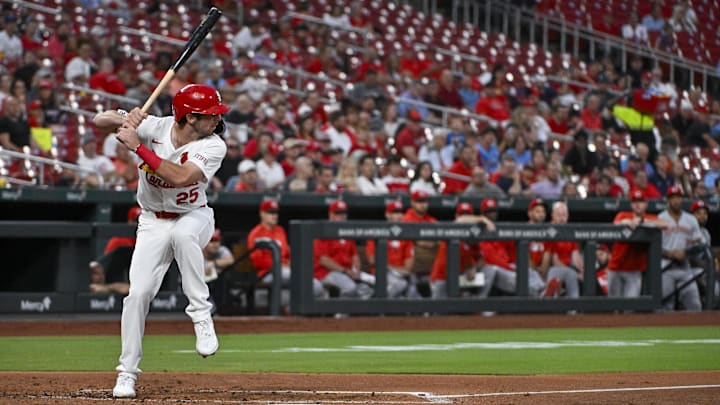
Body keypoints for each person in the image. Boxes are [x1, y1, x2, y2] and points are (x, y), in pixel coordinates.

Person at [93, 83, 230, 398]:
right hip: (152, 220)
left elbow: (180, 177)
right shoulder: (153, 126)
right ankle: (126, 373)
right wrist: (126, 117)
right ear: (189, 117)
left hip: (194, 216)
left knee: (183, 235)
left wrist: (137, 148)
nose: (217, 121)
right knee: (137, 295)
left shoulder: (213, 146)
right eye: (209, 115)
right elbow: (99, 121)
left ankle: (200, 313)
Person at [607, 190, 668, 299]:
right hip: (615, 267)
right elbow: (616, 223)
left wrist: (642, 221)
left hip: (634, 270)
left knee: (630, 308)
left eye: (641, 201)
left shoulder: (650, 217)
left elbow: (665, 224)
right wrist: (627, 222)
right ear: (631, 204)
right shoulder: (623, 215)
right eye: (635, 202)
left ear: (646, 204)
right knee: (613, 306)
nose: (638, 205)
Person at [430, 202, 495, 298]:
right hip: (442, 280)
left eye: (468, 214)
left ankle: (480, 304)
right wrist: (482, 218)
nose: (465, 217)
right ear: (456, 216)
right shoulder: (451, 230)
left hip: (460, 279)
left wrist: (474, 267)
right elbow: (461, 220)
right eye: (462, 214)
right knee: (440, 311)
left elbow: (481, 260)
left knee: (490, 270)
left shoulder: (472, 238)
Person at [313, 200, 373, 298]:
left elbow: (355, 256)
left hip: (346, 273)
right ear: (331, 215)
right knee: (350, 288)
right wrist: (345, 271)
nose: (342, 216)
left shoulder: (346, 232)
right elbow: (324, 260)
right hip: (326, 272)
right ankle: (341, 312)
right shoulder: (322, 231)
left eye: (344, 213)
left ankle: (355, 312)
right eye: (338, 213)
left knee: (366, 290)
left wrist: (356, 271)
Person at [657, 186, 702, 311]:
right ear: (668, 200)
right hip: (666, 267)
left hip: (685, 266)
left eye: (678, 197)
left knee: (694, 304)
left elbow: (698, 244)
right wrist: (669, 254)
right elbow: (655, 246)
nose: (676, 201)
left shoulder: (691, 219)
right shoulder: (660, 219)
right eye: (673, 198)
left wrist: (687, 252)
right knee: (665, 306)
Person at [365, 200, 416, 297]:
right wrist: (391, 268)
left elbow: (408, 267)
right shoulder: (376, 232)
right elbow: (372, 260)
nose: (399, 215)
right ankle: (376, 304)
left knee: (412, 290)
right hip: (381, 272)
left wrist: (396, 270)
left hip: (400, 274)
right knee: (400, 284)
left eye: (400, 212)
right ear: (387, 214)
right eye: (395, 212)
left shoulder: (406, 236)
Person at [89, 206, 142, 295]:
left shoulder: (150, 242)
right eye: (136, 221)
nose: (139, 224)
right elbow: (107, 269)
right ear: (129, 222)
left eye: (142, 222)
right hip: (118, 283)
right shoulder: (119, 241)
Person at [203, 228, 234, 305]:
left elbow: (230, 260)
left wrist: (214, 264)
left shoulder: (222, 250)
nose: (215, 244)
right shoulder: (196, 251)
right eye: (212, 241)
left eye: (217, 241)